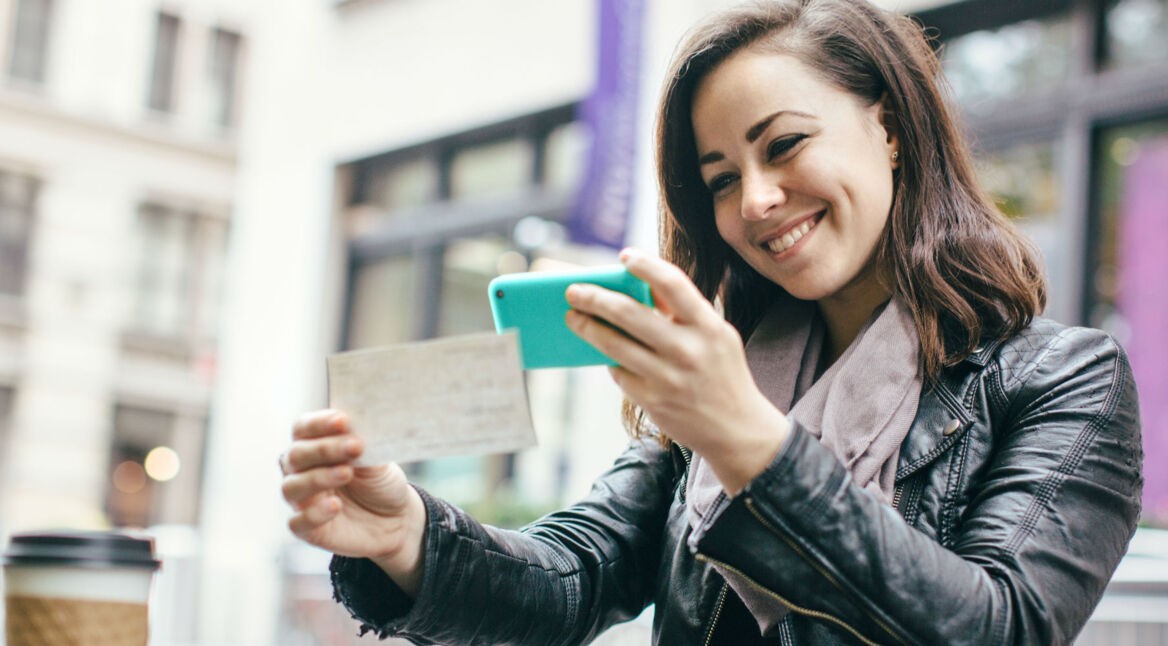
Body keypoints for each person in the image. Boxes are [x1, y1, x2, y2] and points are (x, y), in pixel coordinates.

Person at [278, 0, 1144, 643]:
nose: (758, 200)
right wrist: (411, 537)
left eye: (785, 144)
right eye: (722, 178)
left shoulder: (1065, 380)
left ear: (886, 127)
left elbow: (1001, 629)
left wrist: (751, 444)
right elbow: (576, 579)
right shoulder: (727, 373)